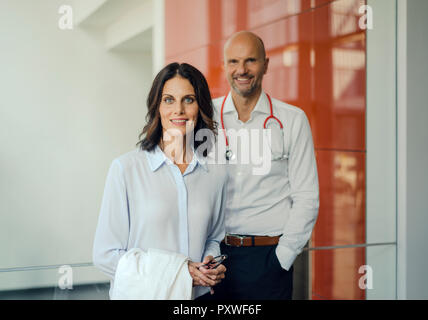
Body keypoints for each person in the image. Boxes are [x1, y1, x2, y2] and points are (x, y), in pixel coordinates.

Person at [93, 62, 227, 299]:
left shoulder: (215, 174)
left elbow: (213, 237)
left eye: (189, 99)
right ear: (157, 107)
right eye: (169, 100)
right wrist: (179, 272)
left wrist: (209, 262)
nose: (179, 110)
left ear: (201, 107)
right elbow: (105, 255)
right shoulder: (125, 169)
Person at [211, 31, 320, 300]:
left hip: (268, 259)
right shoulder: (206, 117)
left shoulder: (292, 120)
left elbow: (307, 196)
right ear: (224, 66)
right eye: (233, 62)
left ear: (266, 65)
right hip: (213, 258)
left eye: (251, 60)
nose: (242, 70)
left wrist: (282, 257)